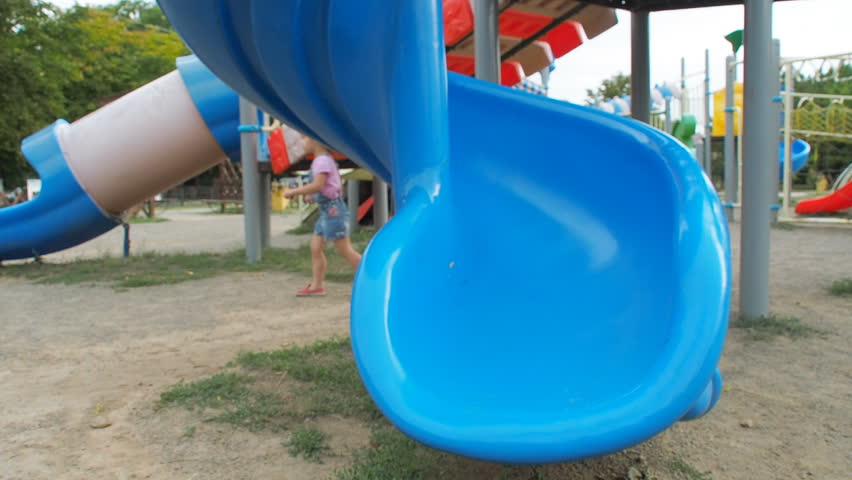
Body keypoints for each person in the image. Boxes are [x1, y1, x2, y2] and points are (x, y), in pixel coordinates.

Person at [284, 136, 361, 296]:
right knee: (316, 247)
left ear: (314, 140)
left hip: (333, 211)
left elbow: (318, 185)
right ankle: (316, 286)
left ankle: (373, 278)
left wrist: (295, 191)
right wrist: (311, 196)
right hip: (327, 210)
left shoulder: (322, 161)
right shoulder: (322, 160)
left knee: (345, 250)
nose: (302, 143)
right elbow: (325, 186)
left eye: (304, 139)